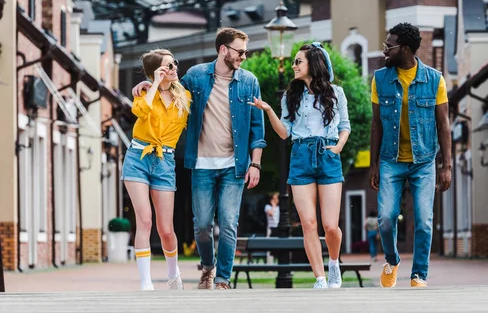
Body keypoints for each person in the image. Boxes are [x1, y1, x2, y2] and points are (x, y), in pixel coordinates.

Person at [133, 28, 266, 290]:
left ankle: (222, 279)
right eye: (240, 51)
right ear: (223, 50)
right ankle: (208, 267)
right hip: (202, 164)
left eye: (245, 51)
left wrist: (256, 163)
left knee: (228, 224)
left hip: (234, 165)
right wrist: (146, 84)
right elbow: (170, 89)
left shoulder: (249, 82)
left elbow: (256, 129)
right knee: (203, 226)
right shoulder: (196, 76)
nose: (244, 56)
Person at [250, 42, 350, 289]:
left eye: (298, 61)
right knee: (308, 223)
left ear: (313, 64)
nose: (293, 65)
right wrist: (269, 110)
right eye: (294, 61)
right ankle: (320, 278)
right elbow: (284, 133)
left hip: (328, 155)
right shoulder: (290, 97)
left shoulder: (337, 93)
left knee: (330, 226)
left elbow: (344, 125)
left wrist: (338, 147)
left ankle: (334, 264)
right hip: (301, 156)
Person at [369, 22, 452, 288]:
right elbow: (376, 125)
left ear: (404, 49)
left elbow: (444, 124)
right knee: (386, 217)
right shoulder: (379, 79)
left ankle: (419, 275)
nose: (384, 51)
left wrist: (446, 165)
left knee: (424, 220)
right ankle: (392, 261)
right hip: (390, 160)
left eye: (388, 46)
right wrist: (373, 165)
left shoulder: (434, 79)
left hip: (424, 161)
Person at [123, 49, 191, 291]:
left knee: (166, 229)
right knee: (144, 220)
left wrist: (159, 82)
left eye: (174, 65)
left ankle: (174, 275)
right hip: (137, 158)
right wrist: (152, 84)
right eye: (167, 67)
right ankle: (146, 282)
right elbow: (140, 112)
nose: (173, 70)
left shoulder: (185, 96)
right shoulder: (143, 95)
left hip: (165, 162)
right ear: (156, 71)